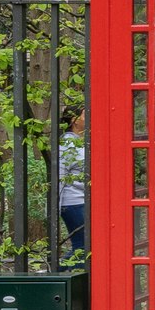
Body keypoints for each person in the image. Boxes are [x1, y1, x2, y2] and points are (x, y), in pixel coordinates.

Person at [58, 106, 88, 258]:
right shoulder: (67, 144)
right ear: (74, 120)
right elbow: (59, 175)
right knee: (82, 247)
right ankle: (54, 275)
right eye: (85, 114)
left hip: (82, 200)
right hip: (72, 203)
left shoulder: (81, 142)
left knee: (84, 247)